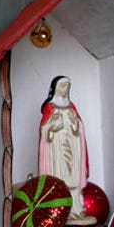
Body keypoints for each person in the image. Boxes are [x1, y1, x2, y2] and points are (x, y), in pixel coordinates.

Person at [38, 75, 90, 217]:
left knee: (73, 178)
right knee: (60, 177)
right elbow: (44, 130)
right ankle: (58, 210)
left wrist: (76, 124)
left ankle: (75, 209)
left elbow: (79, 128)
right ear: (55, 88)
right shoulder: (50, 108)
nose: (64, 89)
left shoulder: (71, 107)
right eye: (62, 86)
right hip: (56, 149)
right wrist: (53, 127)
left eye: (67, 86)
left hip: (72, 148)